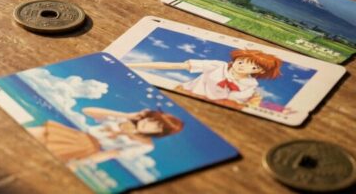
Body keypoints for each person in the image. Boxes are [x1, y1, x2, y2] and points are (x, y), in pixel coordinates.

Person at [128, 49, 282, 107]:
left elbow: (233, 103)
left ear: (260, 70)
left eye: (251, 66)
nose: (241, 66)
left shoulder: (250, 84)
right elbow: (176, 66)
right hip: (181, 94)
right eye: (240, 61)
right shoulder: (218, 66)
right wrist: (132, 65)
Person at [27, 108, 184, 164]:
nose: (148, 124)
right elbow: (87, 111)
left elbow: (111, 154)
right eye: (151, 120)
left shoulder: (146, 145)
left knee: (38, 157)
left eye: (156, 126)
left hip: (87, 148)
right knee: (33, 133)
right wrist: (126, 115)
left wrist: (80, 163)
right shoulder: (125, 120)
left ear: (160, 133)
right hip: (77, 135)